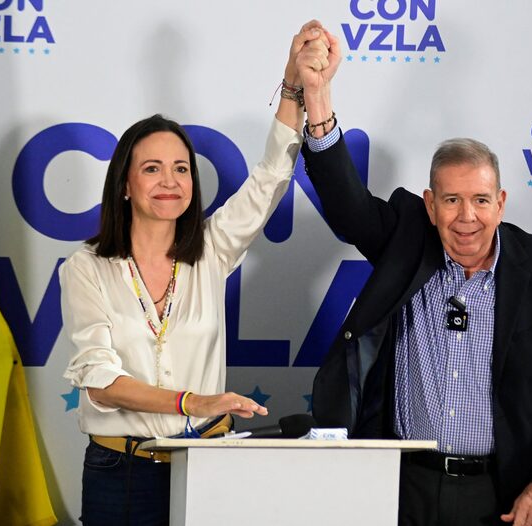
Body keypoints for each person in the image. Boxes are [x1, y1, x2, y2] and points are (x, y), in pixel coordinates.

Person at [293, 25, 532, 526]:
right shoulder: (407, 238)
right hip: (397, 486)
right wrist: (318, 97)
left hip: (499, 494)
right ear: (430, 205)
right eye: (451, 200)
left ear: (500, 204)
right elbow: (347, 206)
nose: (466, 217)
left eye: (480, 200)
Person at [60, 22, 330, 526]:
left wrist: (294, 85)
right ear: (124, 183)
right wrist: (194, 401)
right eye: (152, 169)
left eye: (181, 169)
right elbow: (100, 381)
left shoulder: (210, 248)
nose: (170, 181)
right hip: (121, 472)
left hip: (207, 464)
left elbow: (270, 177)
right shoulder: (86, 268)